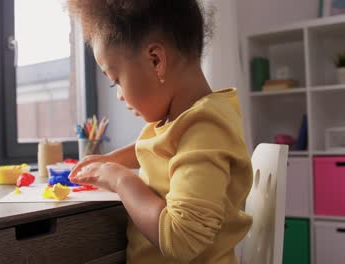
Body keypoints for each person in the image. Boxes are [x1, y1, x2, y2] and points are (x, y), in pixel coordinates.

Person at [66, 1, 253, 263]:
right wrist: (109, 161)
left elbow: (182, 239)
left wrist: (121, 179)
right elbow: (160, 148)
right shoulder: (182, 122)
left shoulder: (206, 126)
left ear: (156, 61)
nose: (119, 95)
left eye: (116, 81)